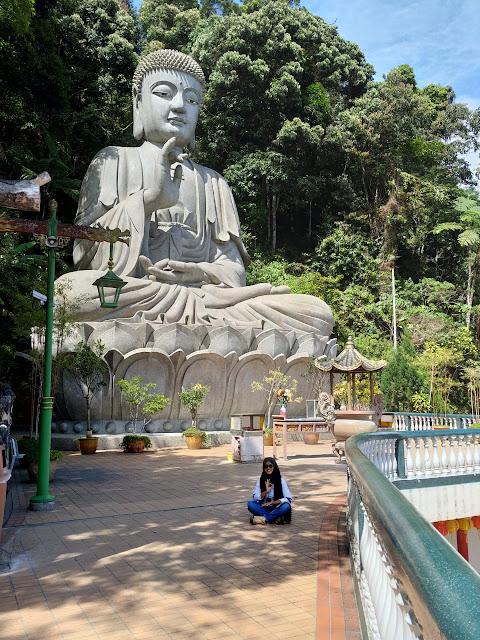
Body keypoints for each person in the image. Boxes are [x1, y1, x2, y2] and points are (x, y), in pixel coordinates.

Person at [55, 48, 334, 338]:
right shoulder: (113, 161)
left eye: (191, 100)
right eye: (164, 93)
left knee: (315, 312)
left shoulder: (213, 183)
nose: (179, 107)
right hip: (140, 292)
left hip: (207, 300)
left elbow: (235, 273)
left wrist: (201, 273)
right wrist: (148, 201)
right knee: (69, 295)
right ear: (138, 104)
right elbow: (84, 255)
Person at [248, 457, 292, 525]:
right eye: (266, 466)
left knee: (286, 506)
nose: (268, 468)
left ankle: (264, 519)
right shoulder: (261, 480)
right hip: (264, 507)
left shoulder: (280, 480)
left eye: (270, 466)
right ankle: (275, 518)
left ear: (274, 466)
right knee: (250, 504)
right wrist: (266, 491)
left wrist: (273, 503)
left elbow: (288, 498)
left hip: (277, 508)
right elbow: (255, 497)